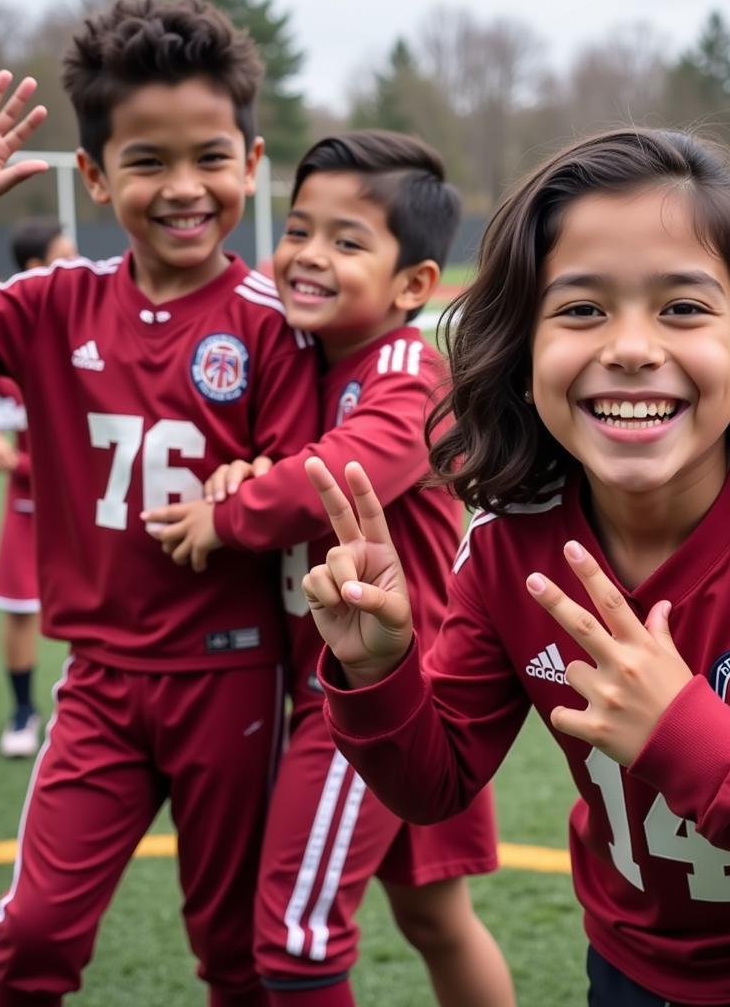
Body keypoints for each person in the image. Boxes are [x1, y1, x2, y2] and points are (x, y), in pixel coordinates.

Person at [301, 129, 730, 1005]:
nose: (631, 346)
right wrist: (376, 670)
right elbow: (433, 781)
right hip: (624, 970)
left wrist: (692, 738)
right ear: (523, 357)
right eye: (581, 310)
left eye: (682, 308)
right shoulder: (505, 544)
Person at [0, 0, 319, 1006]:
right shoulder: (55, 304)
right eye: (147, 161)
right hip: (100, 682)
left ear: (251, 162)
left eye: (209, 157)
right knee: (33, 935)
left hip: (231, 680)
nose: (184, 188)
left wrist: (258, 480)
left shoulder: (275, 324)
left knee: (237, 950)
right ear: (93, 175)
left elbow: (309, 477)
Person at [142, 131, 514, 1007]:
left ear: (414, 286)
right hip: (346, 686)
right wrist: (243, 465)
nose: (309, 256)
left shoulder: (406, 371)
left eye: (347, 241)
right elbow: (279, 452)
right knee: (432, 917)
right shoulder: (307, 362)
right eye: (299, 229)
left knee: (297, 940)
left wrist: (224, 513)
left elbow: (338, 477)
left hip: (382, 694)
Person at [0, 218, 77, 758]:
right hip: (28, 506)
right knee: (20, 609)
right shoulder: (11, 344)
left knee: (97, 606)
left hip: (86, 507)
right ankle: (22, 710)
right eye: (67, 254)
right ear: (38, 268)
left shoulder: (93, 329)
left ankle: (79, 701)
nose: (80, 263)